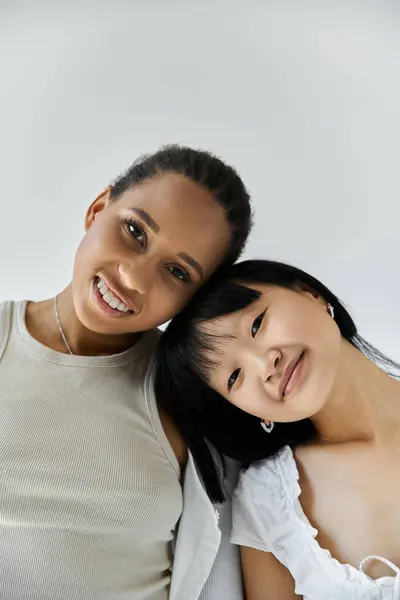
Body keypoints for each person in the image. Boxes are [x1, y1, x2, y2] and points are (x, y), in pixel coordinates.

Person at [0, 145, 252, 600]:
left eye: (176, 271)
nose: (134, 278)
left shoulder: (190, 395)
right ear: (98, 209)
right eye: (135, 231)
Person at [156, 259, 400, 599]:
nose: (265, 366)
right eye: (234, 377)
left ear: (310, 293)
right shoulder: (269, 502)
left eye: (256, 325)